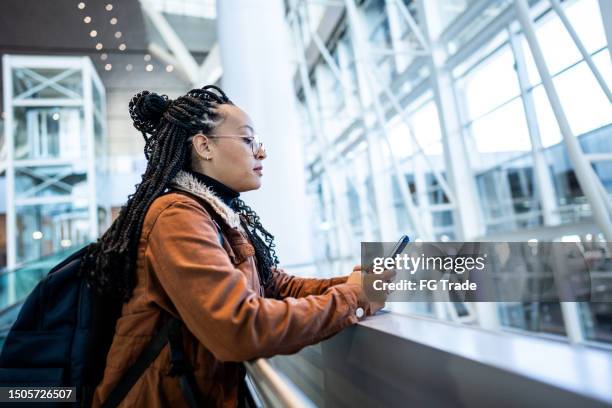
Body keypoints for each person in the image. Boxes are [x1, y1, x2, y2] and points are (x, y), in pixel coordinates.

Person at [85, 85, 385, 407]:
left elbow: (273, 285)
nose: (261, 152)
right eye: (247, 140)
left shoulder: (215, 212)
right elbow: (238, 327)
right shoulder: (178, 216)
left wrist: (352, 283)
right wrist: (353, 298)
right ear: (204, 146)